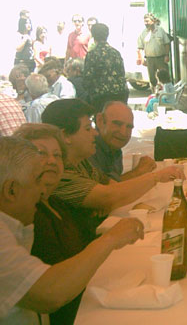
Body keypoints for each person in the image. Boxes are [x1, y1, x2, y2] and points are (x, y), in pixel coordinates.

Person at [0, 136, 143, 325]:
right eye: (37, 181)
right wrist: (110, 239)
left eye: (57, 155)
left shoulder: (15, 224)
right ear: (11, 190)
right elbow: (49, 292)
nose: (43, 190)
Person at [41, 99, 184, 239]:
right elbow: (109, 196)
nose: (94, 133)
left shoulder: (81, 162)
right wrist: (156, 177)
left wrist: (107, 199)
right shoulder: (59, 173)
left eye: (129, 127)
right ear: (66, 136)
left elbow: (113, 188)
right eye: (87, 128)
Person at [12, 124, 92, 325]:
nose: (51, 161)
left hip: (85, 303)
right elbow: (48, 294)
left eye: (57, 155)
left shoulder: (56, 203)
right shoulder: (23, 214)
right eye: (41, 153)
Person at [92, 101, 157, 182]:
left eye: (129, 127)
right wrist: (138, 172)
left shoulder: (113, 147)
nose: (123, 132)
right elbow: (102, 191)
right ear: (100, 121)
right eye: (117, 124)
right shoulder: (89, 150)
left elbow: (112, 181)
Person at [83, 23, 128, 111]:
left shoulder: (92, 54)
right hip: (120, 94)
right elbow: (122, 73)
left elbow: (87, 78)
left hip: (101, 97)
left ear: (93, 35)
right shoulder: (115, 52)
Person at [136, 13, 170, 89]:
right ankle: (155, 95)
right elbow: (140, 47)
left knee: (165, 78)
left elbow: (167, 43)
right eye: (144, 21)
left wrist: (167, 55)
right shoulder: (143, 33)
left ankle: (167, 94)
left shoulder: (160, 30)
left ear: (153, 21)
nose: (145, 23)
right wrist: (142, 59)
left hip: (161, 58)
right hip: (150, 59)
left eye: (147, 21)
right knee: (152, 79)